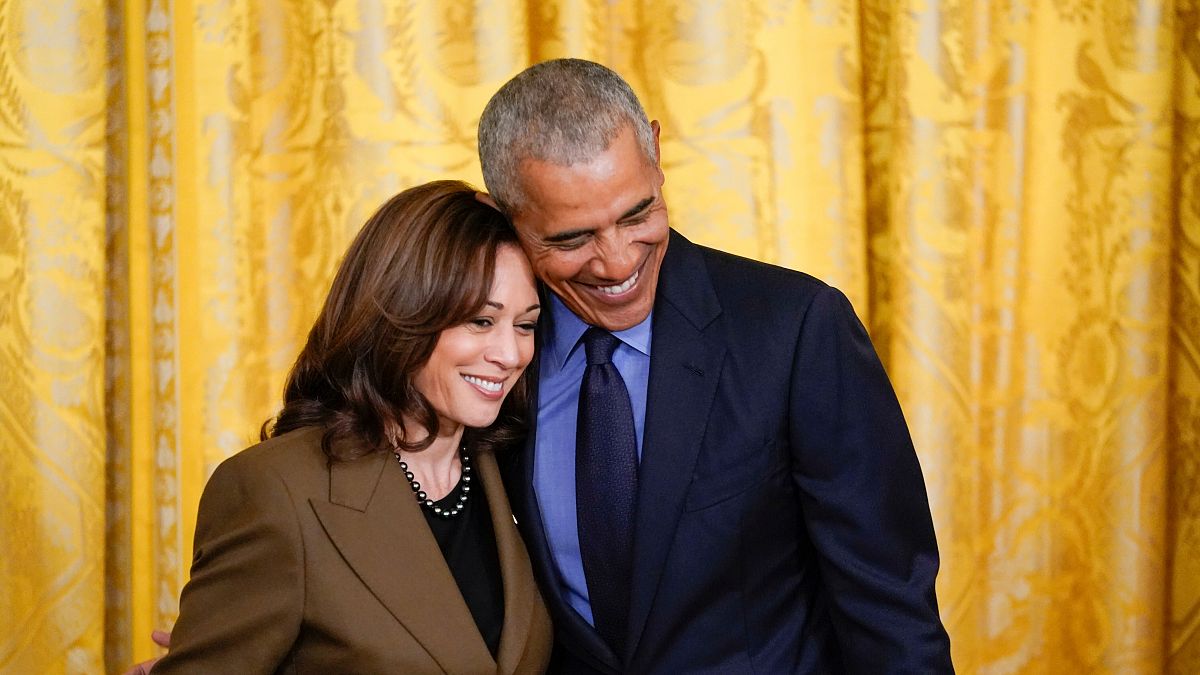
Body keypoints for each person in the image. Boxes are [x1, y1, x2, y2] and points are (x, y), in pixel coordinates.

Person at [476, 59, 954, 673]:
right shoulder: (487, 358)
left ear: (656, 150)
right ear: (503, 215)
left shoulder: (797, 329)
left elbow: (889, 604)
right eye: (572, 239)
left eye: (637, 214)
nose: (617, 261)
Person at [145, 181, 552, 674]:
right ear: (404, 314)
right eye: (481, 322)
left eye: (525, 325)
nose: (510, 355)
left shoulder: (521, 470)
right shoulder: (274, 491)